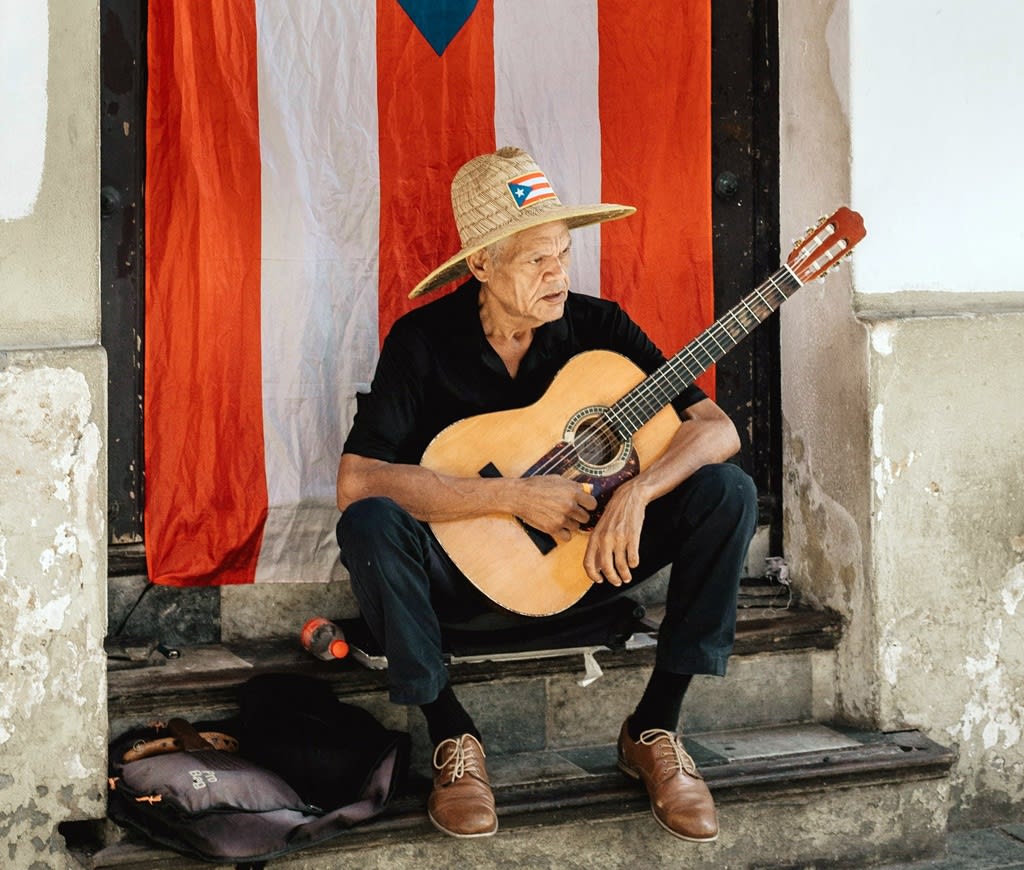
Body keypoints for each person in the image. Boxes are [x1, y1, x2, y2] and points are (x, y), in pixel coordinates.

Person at [336, 146, 757, 842]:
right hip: (462, 587)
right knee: (373, 524)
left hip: (586, 568)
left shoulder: (600, 328)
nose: (559, 273)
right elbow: (358, 480)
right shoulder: (422, 342)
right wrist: (511, 498)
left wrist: (639, 493)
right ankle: (453, 737)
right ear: (481, 266)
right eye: (536, 260)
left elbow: (714, 429)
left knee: (727, 492)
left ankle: (654, 727)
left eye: (562, 253)